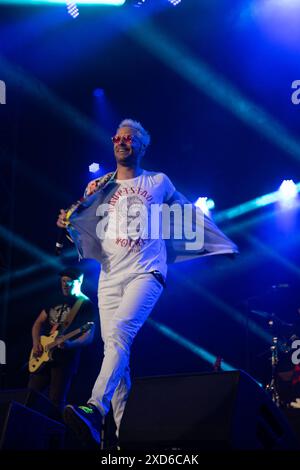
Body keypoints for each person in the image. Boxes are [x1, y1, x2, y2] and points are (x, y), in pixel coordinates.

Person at [57, 119, 238, 445]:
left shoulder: (158, 181)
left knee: (121, 334)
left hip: (147, 273)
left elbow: (188, 213)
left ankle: (94, 407)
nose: (122, 142)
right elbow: (81, 222)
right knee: (116, 354)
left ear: (141, 146)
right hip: (110, 278)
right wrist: (69, 221)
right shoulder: (99, 185)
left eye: (130, 138)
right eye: (118, 137)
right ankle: (118, 442)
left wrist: (220, 242)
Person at [28, 267, 95, 413]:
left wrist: (71, 344)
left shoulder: (85, 304)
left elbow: (89, 336)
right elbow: (38, 323)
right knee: (31, 398)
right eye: (63, 281)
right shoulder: (54, 298)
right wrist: (36, 343)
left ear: (79, 282)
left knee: (55, 402)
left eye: (69, 281)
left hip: (64, 359)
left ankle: (53, 435)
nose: (65, 284)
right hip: (42, 354)